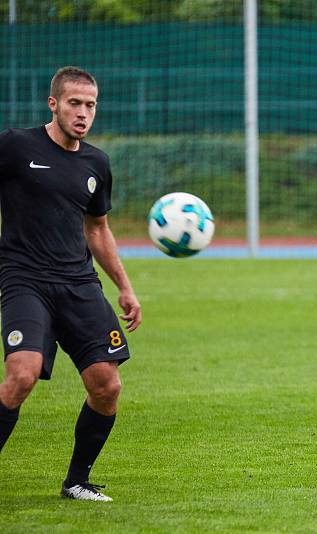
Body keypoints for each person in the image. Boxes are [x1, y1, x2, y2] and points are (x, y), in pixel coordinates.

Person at [0, 67, 142, 502]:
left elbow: (97, 228)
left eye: (91, 105)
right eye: (75, 103)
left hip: (79, 283)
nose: (83, 113)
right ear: (54, 104)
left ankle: (77, 481)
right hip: (25, 279)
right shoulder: (15, 146)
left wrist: (124, 285)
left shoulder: (96, 162)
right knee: (21, 375)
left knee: (107, 385)